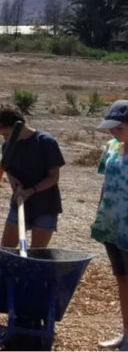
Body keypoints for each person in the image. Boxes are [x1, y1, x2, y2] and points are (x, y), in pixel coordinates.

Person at [0, 102, 64, 249]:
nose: (5, 139)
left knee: (37, 254)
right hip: (20, 201)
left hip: (45, 205)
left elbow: (53, 177)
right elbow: (9, 170)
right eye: (2, 136)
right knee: (6, 249)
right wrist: (18, 189)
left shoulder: (45, 142)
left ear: (18, 126)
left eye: (6, 134)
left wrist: (31, 191)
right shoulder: (7, 146)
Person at [92, 99, 128, 351]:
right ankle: (126, 334)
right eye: (111, 128)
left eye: (119, 127)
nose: (113, 132)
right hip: (111, 226)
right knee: (122, 280)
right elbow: (106, 184)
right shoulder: (112, 148)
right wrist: (99, 215)